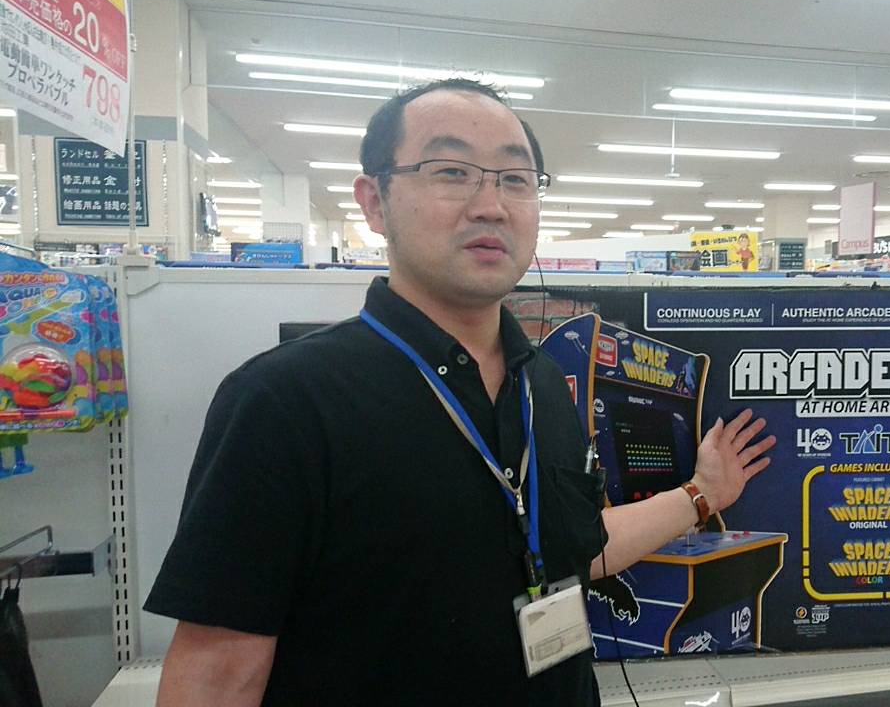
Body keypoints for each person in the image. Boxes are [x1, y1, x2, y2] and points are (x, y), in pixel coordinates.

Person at [144, 79, 776, 706]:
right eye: (451, 171)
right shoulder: (283, 402)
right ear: (374, 202)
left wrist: (701, 494)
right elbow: (218, 672)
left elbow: (578, 549)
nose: (490, 205)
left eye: (515, 179)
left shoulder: (543, 384)